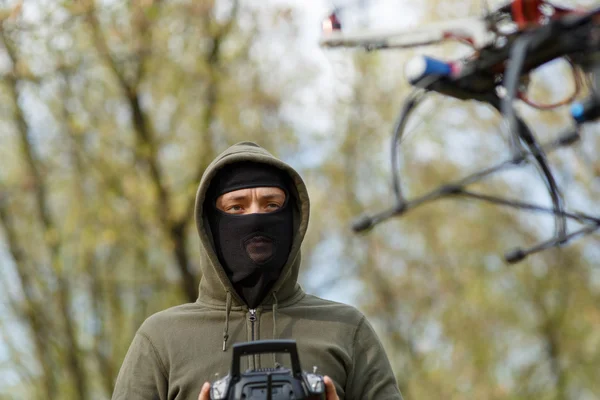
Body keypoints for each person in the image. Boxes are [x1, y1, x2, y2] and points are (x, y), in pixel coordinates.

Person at [112, 142, 403, 400]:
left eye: (271, 204)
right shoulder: (162, 339)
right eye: (236, 208)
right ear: (210, 226)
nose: (255, 218)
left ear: (292, 220)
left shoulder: (347, 329)